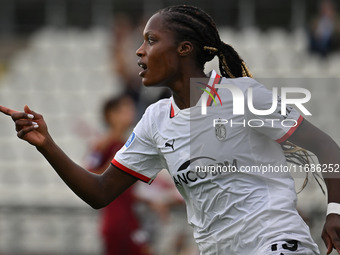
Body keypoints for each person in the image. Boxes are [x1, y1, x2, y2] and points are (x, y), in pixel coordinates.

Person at [1, 5, 340, 255]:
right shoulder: (155, 120)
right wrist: (46, 144)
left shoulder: (243, 96)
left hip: (276, 243)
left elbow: (326, 147)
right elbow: (100, 192)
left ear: (184, 50)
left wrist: (335, 212)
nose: (140, 50)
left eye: (151, 40)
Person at [84, 95, 150, 255]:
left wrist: (151, 201)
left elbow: (126, 189)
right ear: (111, 115)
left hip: (130, 218)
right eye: (125, 109)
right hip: (115, 221)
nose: (131, 112)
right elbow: (89, 175)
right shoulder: (103, 145)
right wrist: (114, 166)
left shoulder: (127, 145)